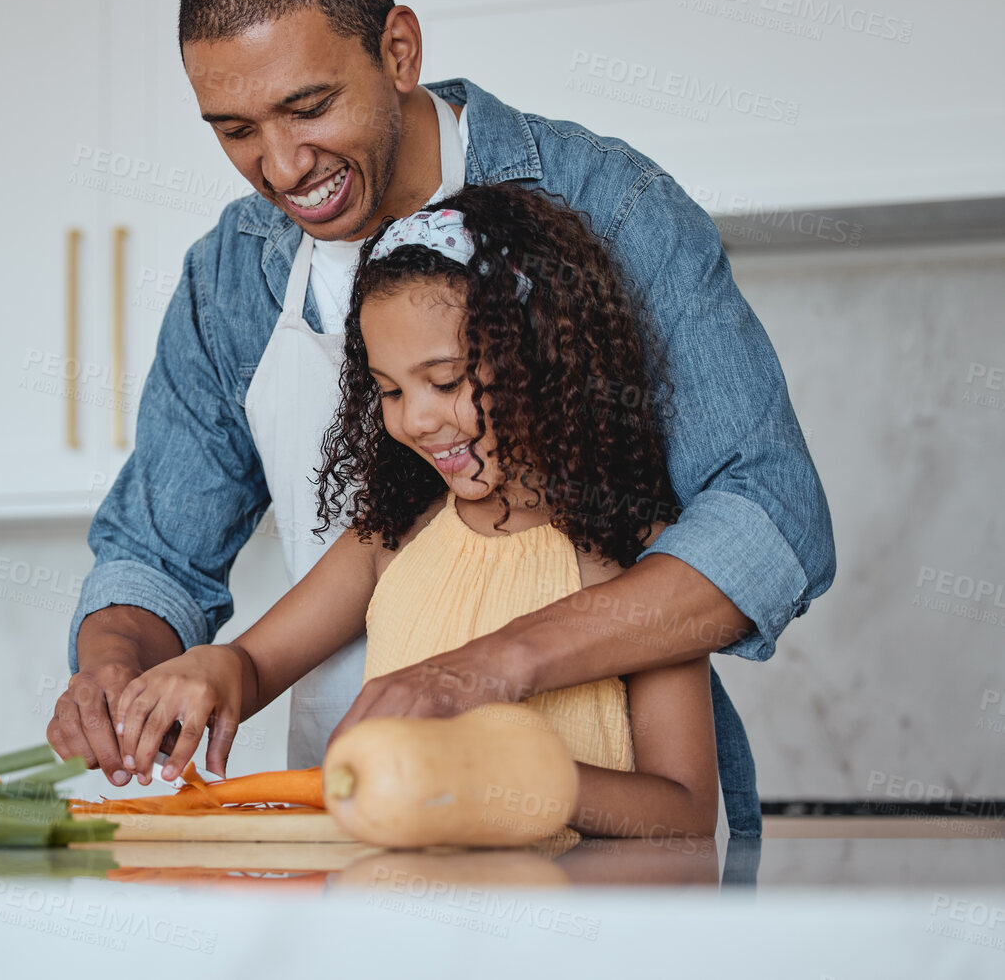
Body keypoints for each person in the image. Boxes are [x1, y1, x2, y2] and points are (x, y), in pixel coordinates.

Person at [48, 0, 834, 839]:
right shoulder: (232, 276)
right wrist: (114, 669)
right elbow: (155, 556)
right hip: (363, 825)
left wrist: (486, 670)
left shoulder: (608, 209)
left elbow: (772, 516)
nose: (283, 165)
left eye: (309, 107)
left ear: (398, 49)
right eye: (234, 131)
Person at [112, 185, 719, 839]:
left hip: (576, 929)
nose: (417, 418)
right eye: (390, 390)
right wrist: (214, 669)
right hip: (404, 918)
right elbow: (254, 665)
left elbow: (682, 808)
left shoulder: (644, 563)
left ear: (543, 353)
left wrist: (522, 778)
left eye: (447, 380)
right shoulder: (391, 537)